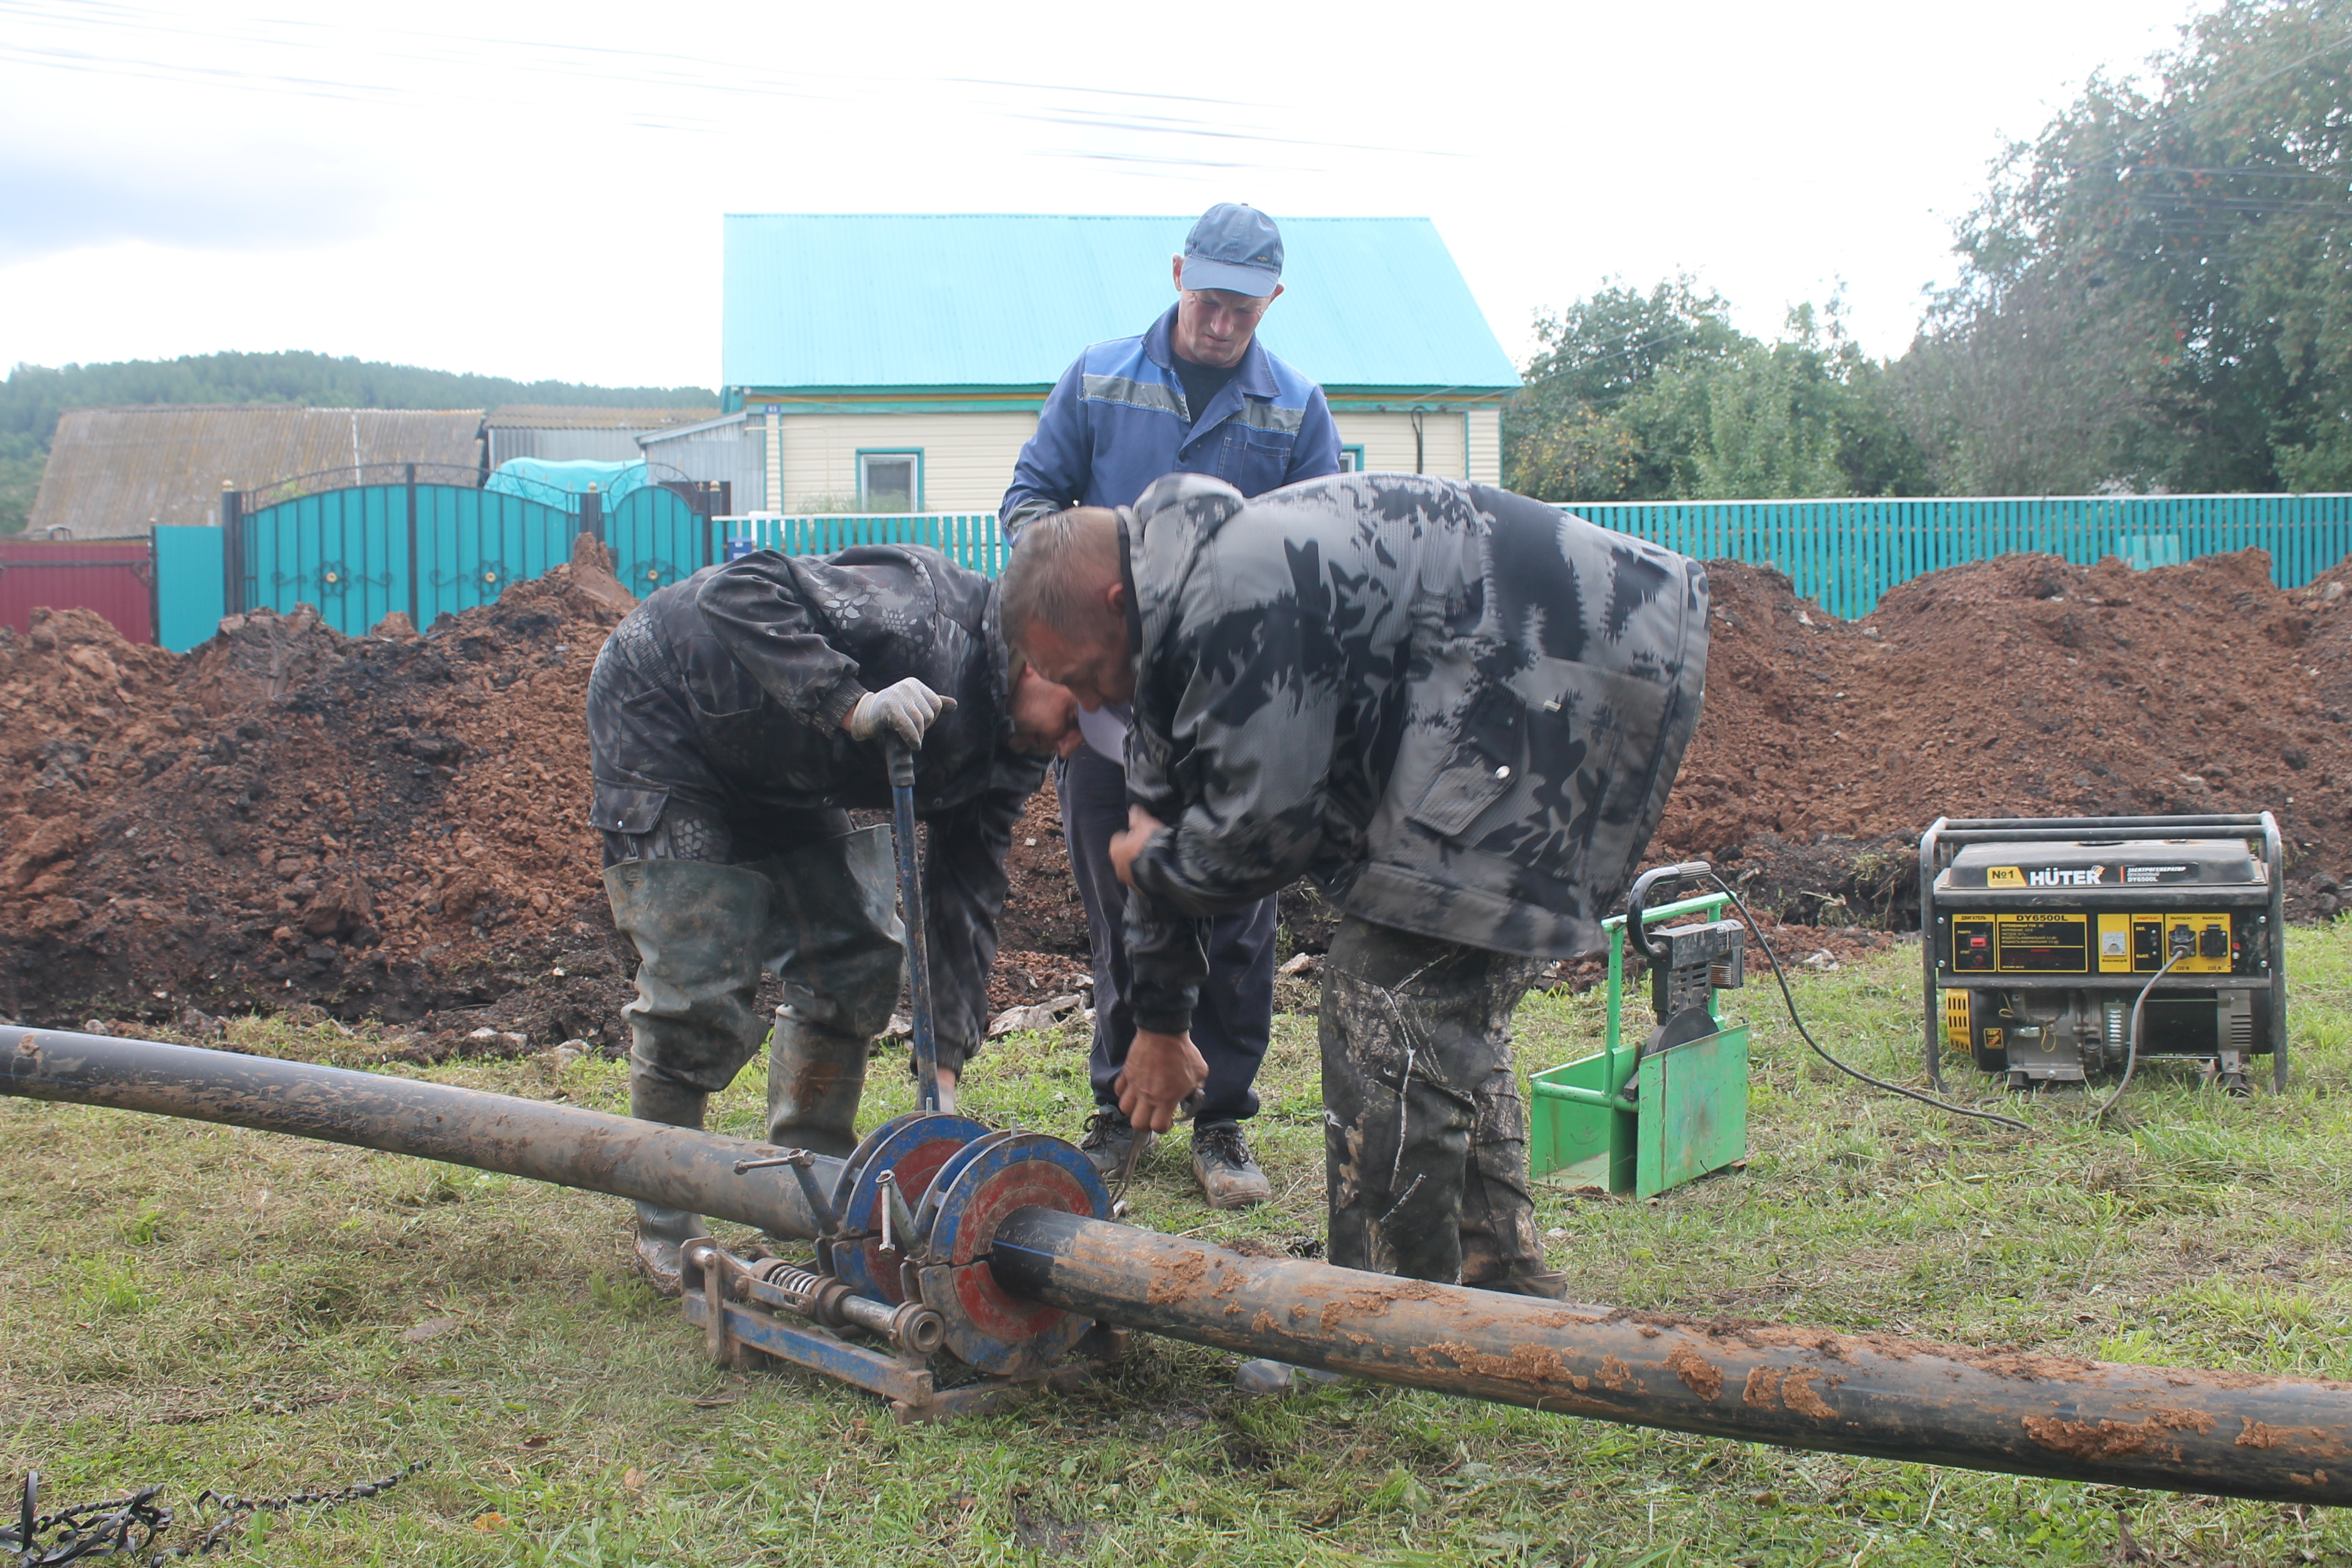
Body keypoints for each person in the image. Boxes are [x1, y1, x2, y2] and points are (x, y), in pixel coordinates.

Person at [998, 473, 1709, 1322]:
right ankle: (1503, 1290)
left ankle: (1377, 1327)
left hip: (1567, 662)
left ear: (1116, 603)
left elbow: (1265, 832)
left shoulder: (1234, 591)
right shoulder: (1166, 618)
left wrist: (1155, 863)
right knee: (1433, 1000)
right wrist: (1158, 1020)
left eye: (1085, 675)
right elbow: (1166, 814)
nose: (1088, 705)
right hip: (1489, 687)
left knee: (1391, 991)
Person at [587, 542, 1083, 1293]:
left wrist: (940, 1071)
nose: (1073, 742)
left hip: (782, 765)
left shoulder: (1016, 745)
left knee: (854, 958)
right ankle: (665, 1221)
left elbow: (964, 897)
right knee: (697, 980)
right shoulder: (926, 618)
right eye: (1078, 713)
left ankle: (801, 1193)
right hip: (672, 712)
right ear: (1045, 657)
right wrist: (852, 702)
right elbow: (740, 590)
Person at [999, 202, 1342, 1208]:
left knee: (1236, 913)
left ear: (1271, 300)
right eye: (1207, 299)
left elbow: (1317, 544)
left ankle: (1221, 1119)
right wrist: (1095, 562)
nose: (1222, 322)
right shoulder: (1100, 377)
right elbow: (1028, 505)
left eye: (1244, 306)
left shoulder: (1296, 408)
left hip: (1238, 724)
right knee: (1122, 905)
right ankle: (1120, 1107)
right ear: (1179, 271)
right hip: (1111, 708)